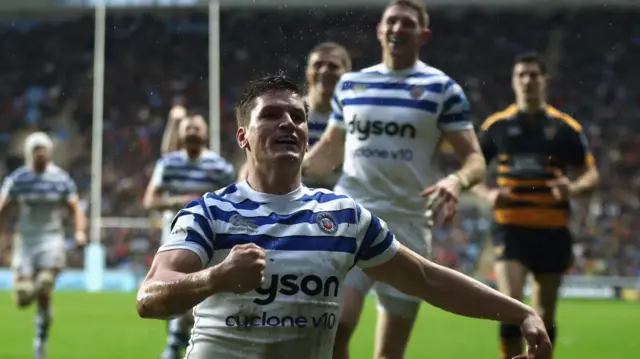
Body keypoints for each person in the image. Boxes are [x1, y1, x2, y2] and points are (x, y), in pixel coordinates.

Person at [136, 74, 551, 359]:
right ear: (242, 136)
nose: (288, 123)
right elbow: (149, 298)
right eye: (271, 115)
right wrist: (216, 277)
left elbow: (427, 279)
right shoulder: (209, 212)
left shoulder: (344, 217)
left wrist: (521, 311)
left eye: (297, 117)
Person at [301, 1, 487, 358]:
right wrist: (291, 170)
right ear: (379, 30)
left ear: (423, 34)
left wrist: (456, 181)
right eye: (391, 21)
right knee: (335, 329)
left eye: (407, 23)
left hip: (409, 225)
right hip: (353, 217)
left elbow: (475, 159)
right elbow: (330, 150)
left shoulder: (442, 89)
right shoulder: (352, 85)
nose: (397, 28)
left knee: (389, 353)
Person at [472, 53, 599, 359]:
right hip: (510, 228)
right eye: (521, 75)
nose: (528, 80)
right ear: (514, 82)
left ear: (545, 80)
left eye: (533, 75)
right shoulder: (497, 126)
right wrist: (488, 194)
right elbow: (471, 169)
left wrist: (573, 188)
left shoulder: (566, 128)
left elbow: (591, 174)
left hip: (552, 229)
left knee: (545, 315)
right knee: (511, 306)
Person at [143, 113, 236, 359]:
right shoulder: (169, 163)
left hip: (209, 238)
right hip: (173, 236)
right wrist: (179, 201)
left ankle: (176, 346)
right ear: (181, 135)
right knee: (176, 293)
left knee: (194, 295)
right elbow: (150, 200)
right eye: (188, 128)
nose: (193, 132)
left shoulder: (219, 166)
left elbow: (233, 200)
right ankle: (177, 343)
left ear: (205, 134)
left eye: (197, 128)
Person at [0, 132, 86, 359]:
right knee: (21, 298)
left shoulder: (60, 179)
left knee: (45, 293)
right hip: (26, 240)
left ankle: (40, 342)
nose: (40, 154)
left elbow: (75, 207)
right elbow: (3, 209)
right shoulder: (18, 179)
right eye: (35, 150)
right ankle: (40, 283)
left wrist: (79, 232)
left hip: (51, 237)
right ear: (29, 153)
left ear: (49, 152)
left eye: (43, 149)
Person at [237, 41, 352, 189]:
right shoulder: (286, 112)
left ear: (347, 75)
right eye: (318, 65)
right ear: (308, 71)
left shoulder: (353, 119)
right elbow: (258, 158)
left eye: (333, 66)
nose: (324, 70)